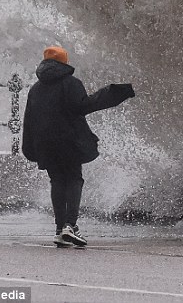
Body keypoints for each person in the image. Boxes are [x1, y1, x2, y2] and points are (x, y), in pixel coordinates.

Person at [22, 46, 135, 248]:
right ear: (64, 62)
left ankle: (59, 229)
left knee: (57, 180)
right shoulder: (70, 83)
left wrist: (29, 147)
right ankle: (70, 226)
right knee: (74, 179)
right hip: (68, 141)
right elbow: (82, 106)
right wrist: (112, 94)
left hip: (45, 143)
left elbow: (29, 120)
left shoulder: (35, 89)